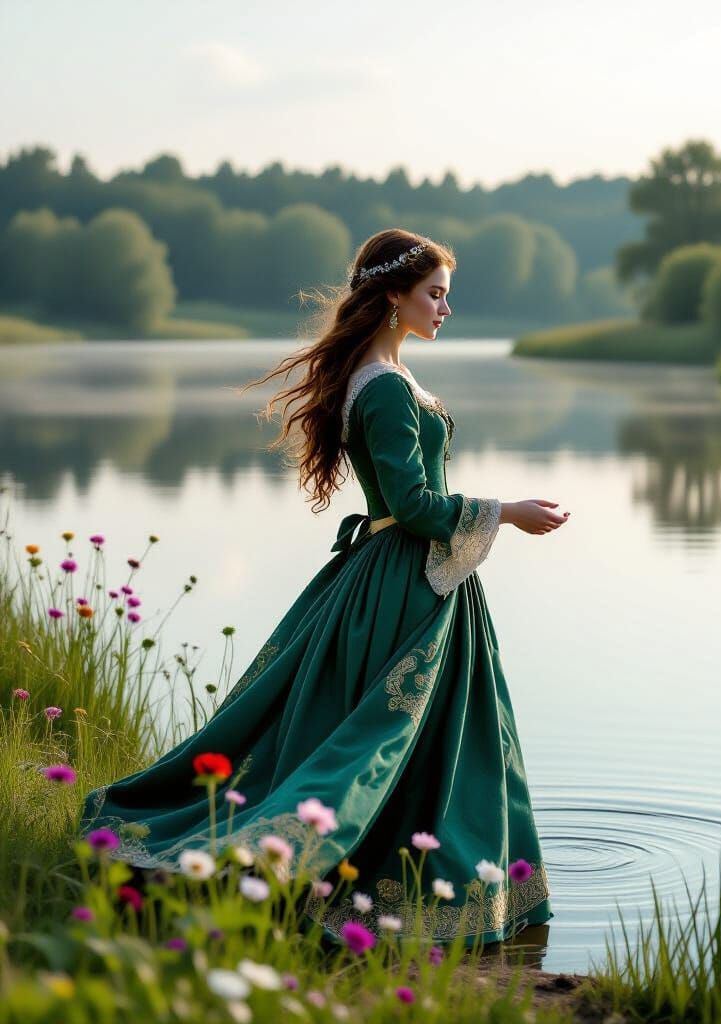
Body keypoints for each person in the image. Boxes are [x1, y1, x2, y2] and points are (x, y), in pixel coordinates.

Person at [77, 228, 569, 947]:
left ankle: (380, 873)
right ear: (394, 297)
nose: (445, 309)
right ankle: (342, 883)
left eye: (447, 296)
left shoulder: (380, 378)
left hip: (401, 574)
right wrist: (509, 513)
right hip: (407, 582)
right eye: (435, 294)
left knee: (394, 741)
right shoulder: (387, 389)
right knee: (377, 742)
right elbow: (412, 506)